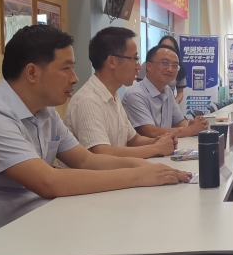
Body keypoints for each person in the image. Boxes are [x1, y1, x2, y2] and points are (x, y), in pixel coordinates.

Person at [0, 25, 191, 255]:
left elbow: (85, 160)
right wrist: (140, 175)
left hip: (40, 232)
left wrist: (147, 168)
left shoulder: (45, 112)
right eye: (66, 68)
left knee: (136, 248)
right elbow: (50, 182)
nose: (75, 77)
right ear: (32, 72)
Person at [65, 27, 177, 158]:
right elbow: (103, 154)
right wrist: (156, 148)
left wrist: (159, 141)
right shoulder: (89, 100)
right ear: (112, 62)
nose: (138, 66)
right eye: (134, 58)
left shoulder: (113, 95)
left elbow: (133, 139)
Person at [123, 45, 209, 138]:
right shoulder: (135, 95)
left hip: (166, 146)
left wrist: (194, 126)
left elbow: (179, 121)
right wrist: (191, 129)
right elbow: (151, 132)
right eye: (164, 63)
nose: (170, 69)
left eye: (175, 66)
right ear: (149, 66)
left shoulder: (167, 90)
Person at [138, 35, 187, 104]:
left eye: (170, 48)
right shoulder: (136, 95)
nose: (170, 70)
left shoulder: (168, 92)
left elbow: (180, 92)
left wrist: (175, 103)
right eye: (163, 47)